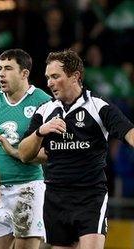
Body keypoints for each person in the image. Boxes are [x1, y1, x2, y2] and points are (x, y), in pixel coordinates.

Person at [18, 49, 134, 249]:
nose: (49, 83)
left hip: (90, 196)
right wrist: (41, 132)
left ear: (75, 76)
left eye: (55, 76)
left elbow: (129, 132)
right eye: (48, 77)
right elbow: (24, 154)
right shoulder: (45, 111)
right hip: (55, 197)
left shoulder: (98, 106)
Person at [0, 49, 51, 249]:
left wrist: (18, 153)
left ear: (24, 73)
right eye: (0, 68)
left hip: (28, 188)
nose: (1, 74)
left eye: (8, 68)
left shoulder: (44, 102)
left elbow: (50, 153)